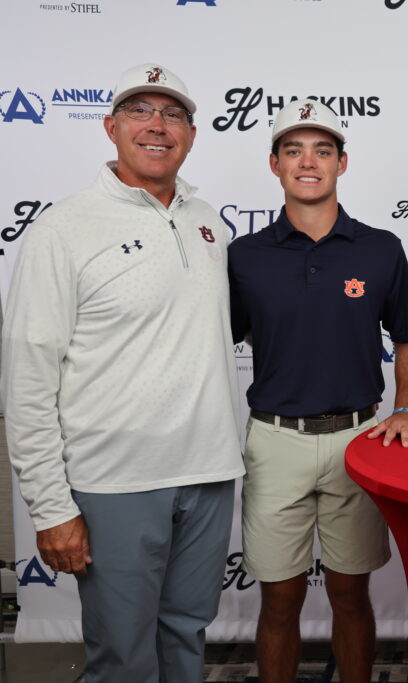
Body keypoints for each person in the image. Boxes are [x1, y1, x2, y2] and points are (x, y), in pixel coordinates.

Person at [1, 63, 242, 682]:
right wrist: (51, 507)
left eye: (173, 114)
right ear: (111, 127)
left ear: (192, 133)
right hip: (114, 484)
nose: (157, 126)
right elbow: (29, 378)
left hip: (210, 472)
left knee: (187, 637)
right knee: (124, 657)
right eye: (140, 111)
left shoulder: (207, 219)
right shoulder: (63, 229)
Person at [228, 98, 408, 683]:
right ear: (274, 164)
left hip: (357, 440)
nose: (307, 162)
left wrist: (406, 407)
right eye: (293, 150)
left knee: (349, 595)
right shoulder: (243, 256)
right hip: (275, 440)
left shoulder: (380, 247)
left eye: (321, 150)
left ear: (343, 162)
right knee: (280, 601)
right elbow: (213, 342)